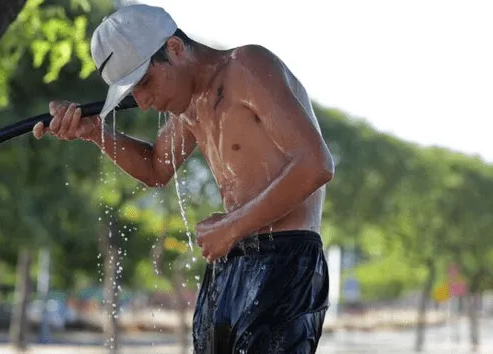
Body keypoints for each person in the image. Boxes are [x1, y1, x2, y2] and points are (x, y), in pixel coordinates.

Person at [33, 4, 334, 353]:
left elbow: (315, 164)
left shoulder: (247, 67)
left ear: (175, 49)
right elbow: (155, 168)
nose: (143, 103)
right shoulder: (191, 106)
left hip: (285, 259)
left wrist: (232, 227)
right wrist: (95, 134)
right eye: (133, 93)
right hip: (229, 261)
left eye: (145, 82)